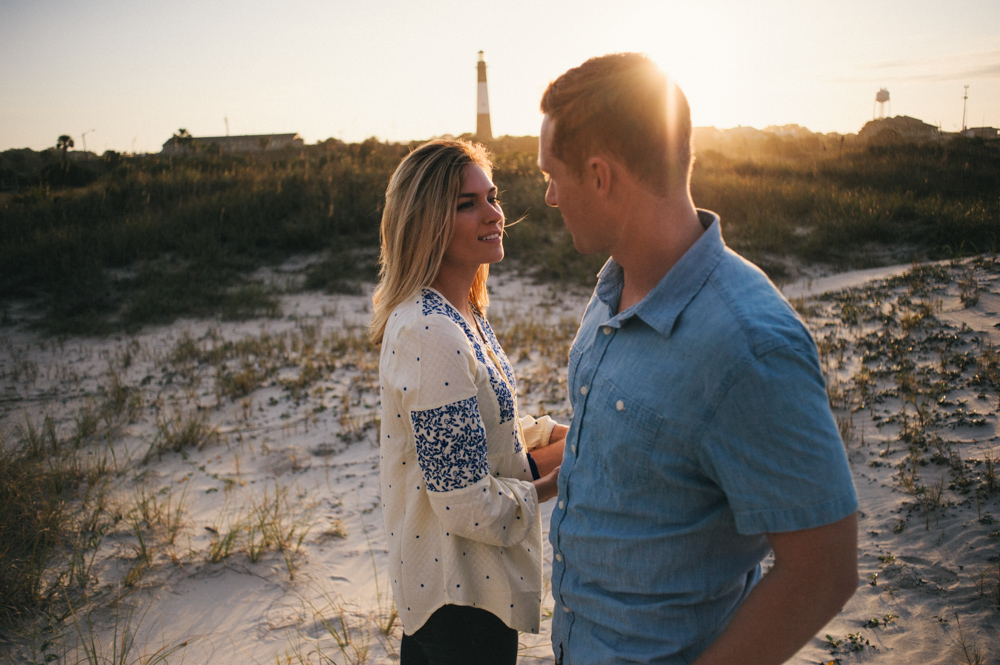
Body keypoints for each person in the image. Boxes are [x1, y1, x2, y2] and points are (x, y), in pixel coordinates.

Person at [537, 53, 859, 665]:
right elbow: (659, 439)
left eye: (552, 175)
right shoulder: (615, 286)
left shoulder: (748, 346)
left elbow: (824, 570)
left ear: (600, 176)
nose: (550, 196)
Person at [371, 139, 567, 665]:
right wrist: (551, 486)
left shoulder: (461, 311)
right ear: (426, 220)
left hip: (465, 591)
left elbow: (472, 429)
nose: (495, 214)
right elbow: (464, 502)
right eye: (467, 203)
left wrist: (551, 438)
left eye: (493, 196)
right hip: (457, 601)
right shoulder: (431, 330)